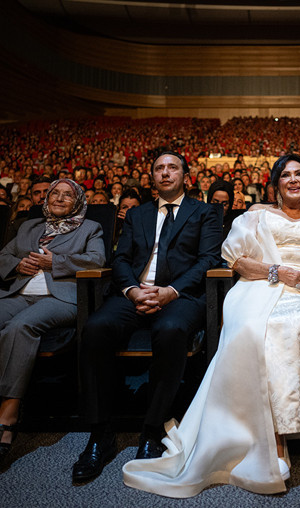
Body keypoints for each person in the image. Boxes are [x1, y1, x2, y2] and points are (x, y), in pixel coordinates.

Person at [123, 154, 300, 496]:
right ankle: (272, 440)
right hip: (258, 287)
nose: (293, 180)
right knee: (257, 330)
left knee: (299, 324)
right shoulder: (258, 213)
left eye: (299, 174)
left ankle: (290, 424)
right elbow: (238, 262)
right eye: (286, 175)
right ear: (276, 184)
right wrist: (278, 271)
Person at [72, 151, 223, 481]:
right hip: (135, 292)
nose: (165, 173)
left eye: (172, 168)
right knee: (95, 328)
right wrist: (132, 291)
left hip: (181, 295)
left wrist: (171, 291)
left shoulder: (205, 212)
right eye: (159, 169)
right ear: (151, 177)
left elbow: (208, 259)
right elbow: (121, 258)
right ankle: (101, 433)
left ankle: (152, 430)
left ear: (186, 175)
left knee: (170, 330)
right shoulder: (138, 214)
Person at [0, 179, 105, 462]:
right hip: (18, 293)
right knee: (12, 319)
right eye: (54, 193)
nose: (59, 198)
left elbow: (96, 260)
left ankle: (9, 412)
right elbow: (3, 255)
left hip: (60, 298)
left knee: (20, 326)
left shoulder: (90, 229)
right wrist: (17, 264)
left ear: (78, 201)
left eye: (67, 195)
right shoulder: (28, 226)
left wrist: (54, 262)